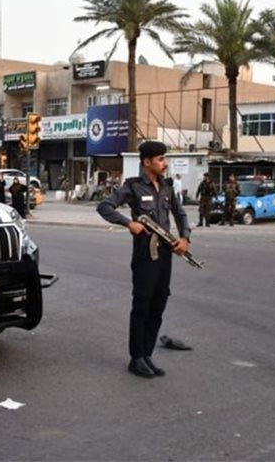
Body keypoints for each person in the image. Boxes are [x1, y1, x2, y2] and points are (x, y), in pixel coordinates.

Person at [97, 141, 191, 379]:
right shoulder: (134, 186)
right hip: (144, 254)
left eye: (165, 158)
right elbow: (105, 206)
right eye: (160, 159)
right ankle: (136, 357)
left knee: (159, 303)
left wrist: (185, 238)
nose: (165, 163)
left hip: (166, 252)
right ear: (147, 162)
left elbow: (180, 213)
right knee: (142, 304)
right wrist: (129, 223)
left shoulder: (167, 187)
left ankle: (147, 354)